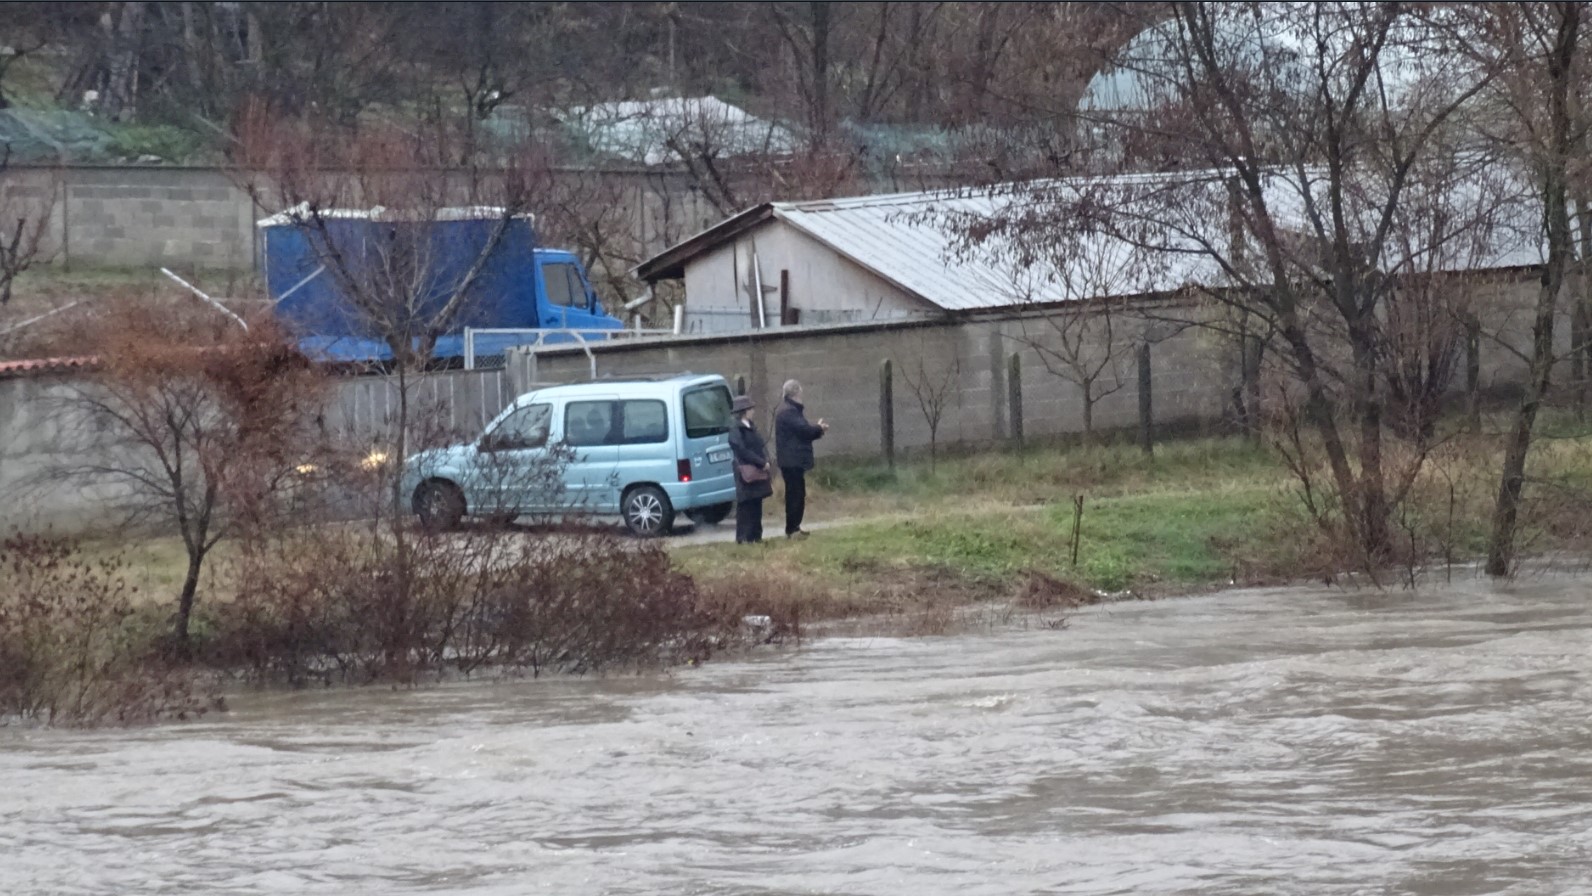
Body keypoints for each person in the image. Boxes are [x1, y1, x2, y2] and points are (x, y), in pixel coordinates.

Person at [774, 379, 829, 539]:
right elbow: (804, 430)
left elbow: (801, 431)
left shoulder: (789, 410)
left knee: (797, 494)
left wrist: (817, 430)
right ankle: (792, 530)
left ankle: (794, 528)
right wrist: (819, 428)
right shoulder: (789, 412)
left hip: (792, 460)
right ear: (796, 393)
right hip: (792, 461)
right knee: (795, 495)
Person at [727, 394, 772, 544]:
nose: (753, 411)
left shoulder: (751, 427)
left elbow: (759, 445)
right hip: (744, 472)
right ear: (744, 411)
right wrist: (760, 462)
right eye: (751, 409)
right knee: (745, 506)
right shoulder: (736, 430)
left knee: (756, 504)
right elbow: (742, 451)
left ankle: (756, 536)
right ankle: (743, 537)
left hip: (756, 472)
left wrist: (765, 460)